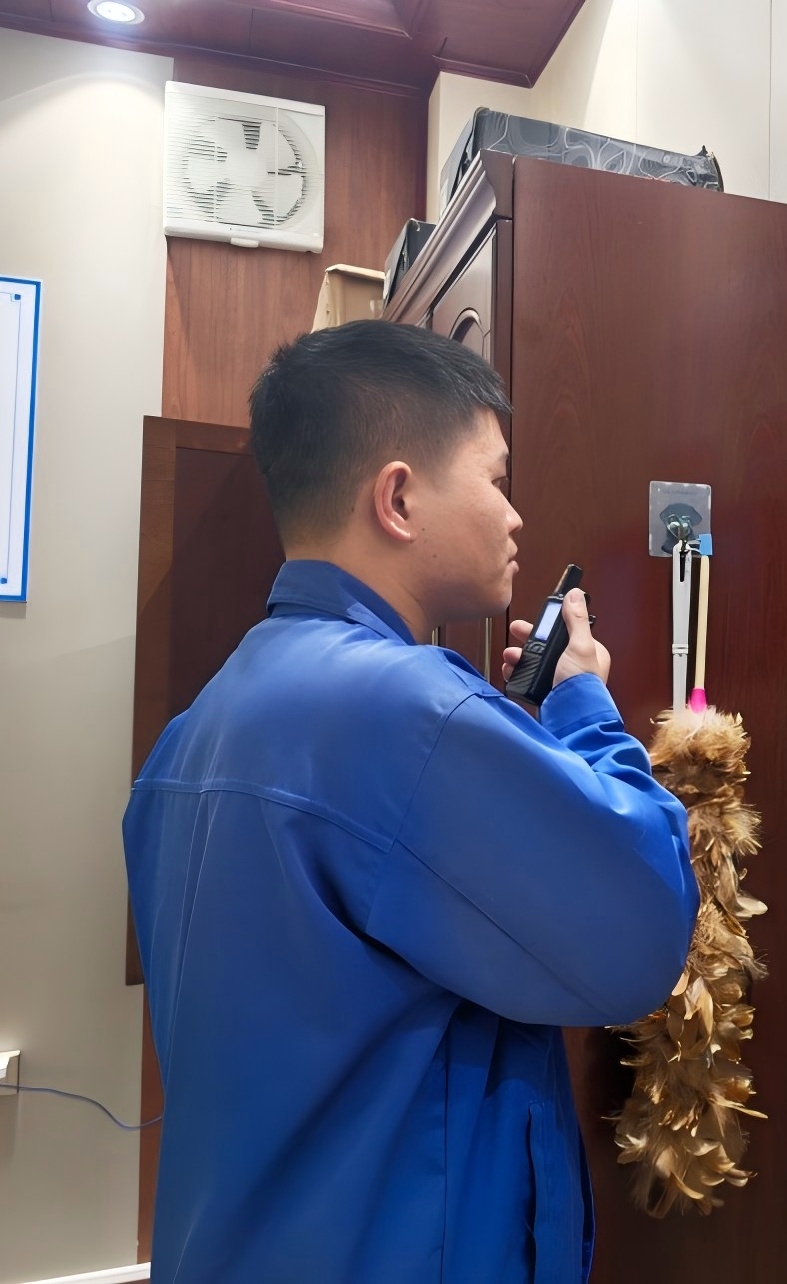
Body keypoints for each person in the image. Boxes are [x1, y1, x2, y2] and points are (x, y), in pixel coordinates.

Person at [123, 320, 699, 1283]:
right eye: (495, 480)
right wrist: (583, 705)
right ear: (396, 498)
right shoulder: (409, 710)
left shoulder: (196, 730)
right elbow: (643, 931)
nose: (515, 516)